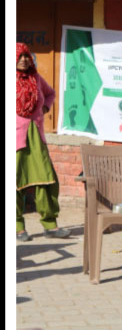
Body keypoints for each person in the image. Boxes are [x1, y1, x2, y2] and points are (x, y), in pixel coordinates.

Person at [16, 42, 59, 236]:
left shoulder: (36, 78)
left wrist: (45, 107)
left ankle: (50, 224)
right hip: (16, 138)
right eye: (19, 56)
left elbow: (51, 94)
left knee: (46, 179)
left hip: (37, 137)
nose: (24, 60)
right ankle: (17, 226)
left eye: (26, 56)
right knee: (16, 182)